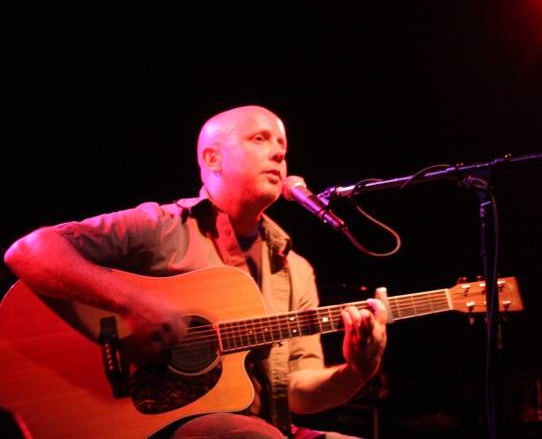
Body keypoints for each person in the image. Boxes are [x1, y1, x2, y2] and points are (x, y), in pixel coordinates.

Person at [3, 105, 388, 438]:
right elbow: (30, 251)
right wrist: (133, 303)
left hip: (268, 427)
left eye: (282, 148)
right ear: (212, 158)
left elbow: (298, 392)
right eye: (260, 139)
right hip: (169, 424)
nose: (277, 153)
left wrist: (359, 370)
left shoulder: (296, 269)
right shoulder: (161, 228)